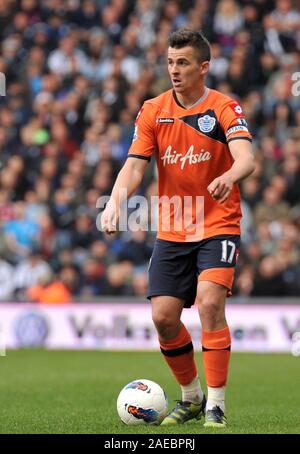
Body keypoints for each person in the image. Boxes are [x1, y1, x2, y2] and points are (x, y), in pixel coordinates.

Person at [101, 29, 255, 428]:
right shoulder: (153, 109)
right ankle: (191, 398)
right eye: (170, 61)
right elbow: (135, 164)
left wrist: (231, 175)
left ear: (204, 67)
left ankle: (216, 406)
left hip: (218, 224)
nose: (174, 69)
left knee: (208, 304)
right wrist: (116, 201)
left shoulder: (224, 108)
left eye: (183, 62)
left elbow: (247, 158)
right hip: (173, 227)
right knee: (164, 318)